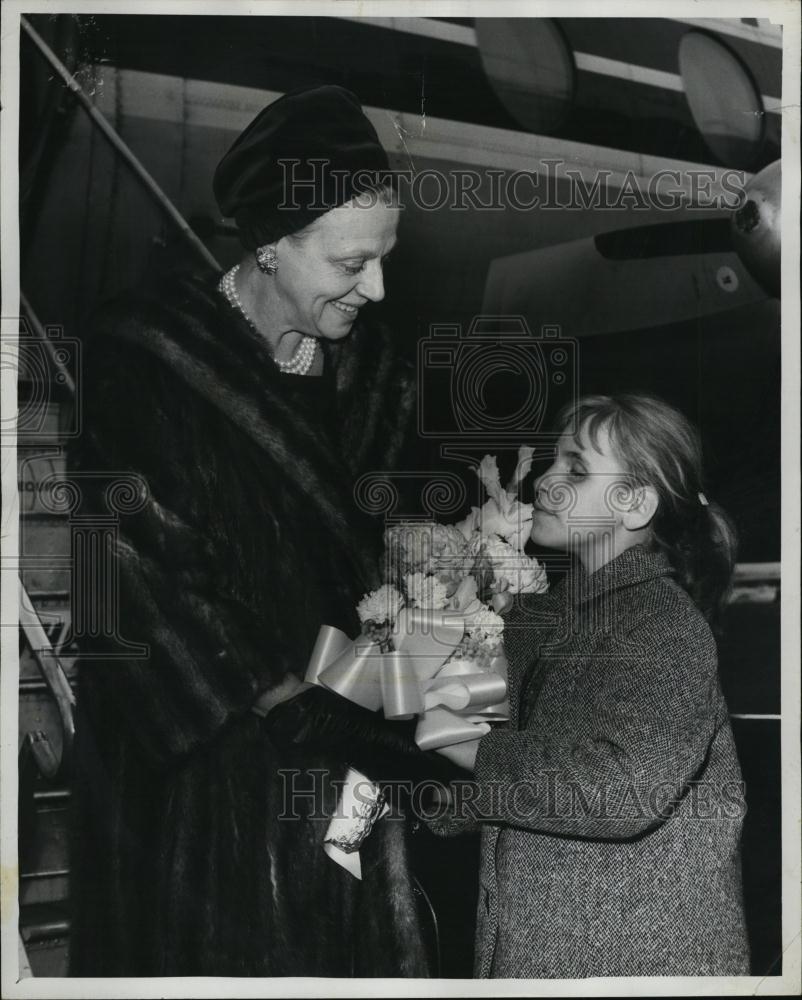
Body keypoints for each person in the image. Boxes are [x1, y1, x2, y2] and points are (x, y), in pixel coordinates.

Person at [68, 85, 440, 977]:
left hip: (360, 778)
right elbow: (129, 596)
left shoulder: (378, 372)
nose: (378, 288)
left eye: (385, 258)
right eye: (352, 264)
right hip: (207, 798)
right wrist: (316, 721)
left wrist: (432, 556)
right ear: (270, 246)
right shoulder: (139, 364)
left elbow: (411, 521)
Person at [429, 393, 750, 977]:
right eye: (553, 462)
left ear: (635, 506)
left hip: (635, 960)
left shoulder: (664, 624)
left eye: (576, 469)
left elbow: (620, 789)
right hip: (543, 949)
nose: (545, 482)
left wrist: (460, 745)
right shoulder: (538, 621)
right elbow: (524, 774)